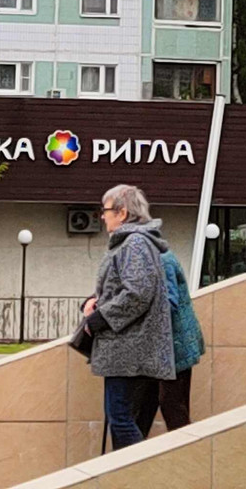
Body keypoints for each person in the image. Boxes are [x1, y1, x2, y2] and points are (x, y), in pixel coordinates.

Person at [79, 183, 174, 450]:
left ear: (122, 213)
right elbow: (128, 287)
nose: (102, 216)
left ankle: (142, 469)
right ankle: (132, 469)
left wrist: (101, 318)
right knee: (123, 418)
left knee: (120, 418)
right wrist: (95, 301)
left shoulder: (135, 244)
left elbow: (138, 292)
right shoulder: (133, 243)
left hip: (130, 351)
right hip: (130, 350)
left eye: (105, 210)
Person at [133, 245, 203, 438]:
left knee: (172, 406)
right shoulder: (151, 258)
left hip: (173, 346)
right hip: (160, 347)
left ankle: (186, 451)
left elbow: (168, 303)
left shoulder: (161, 260)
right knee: (143, 408)